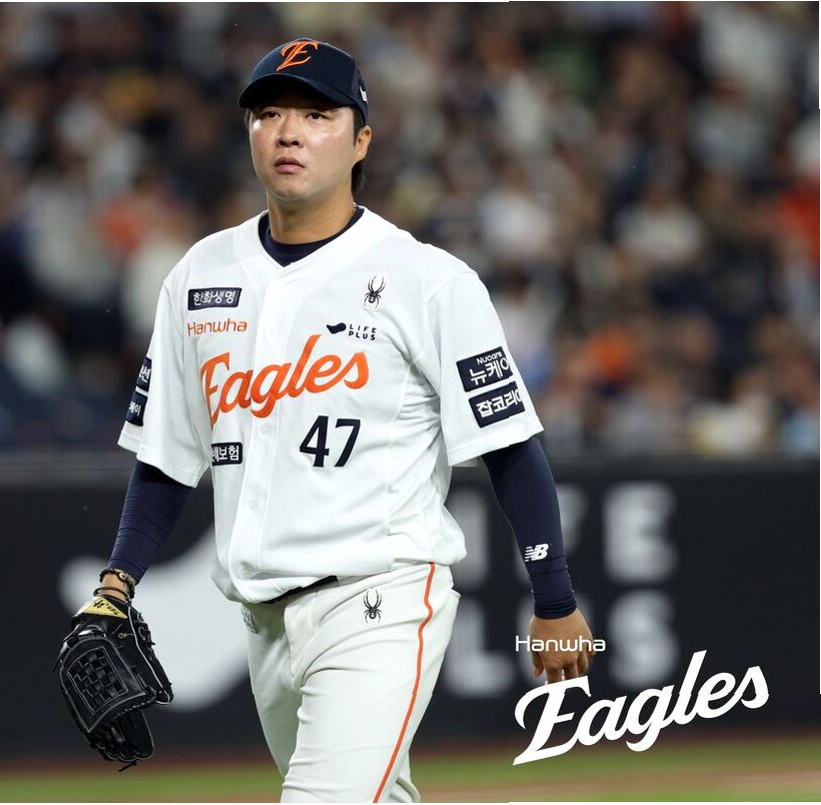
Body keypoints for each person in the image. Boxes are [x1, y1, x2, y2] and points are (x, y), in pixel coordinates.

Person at [90, 38, 594, 802]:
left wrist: (552, 596)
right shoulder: (198, 276)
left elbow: (509, 446)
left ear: (360, 141)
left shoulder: (426, 279)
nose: (287, 132)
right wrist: (116, 582)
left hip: (380, 597)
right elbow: (166, 457)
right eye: (268, 114)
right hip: (263, 619)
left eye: (316, 115)